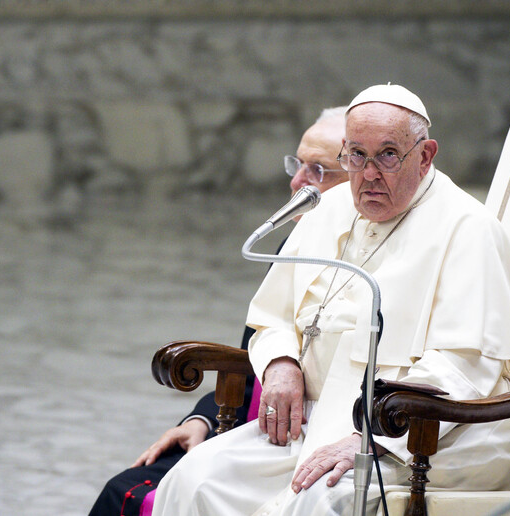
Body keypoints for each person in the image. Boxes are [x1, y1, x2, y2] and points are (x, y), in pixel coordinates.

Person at [151, 84, 510, 516]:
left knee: (322, 500)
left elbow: (464, 368)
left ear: (426, 155)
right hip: (319, 419)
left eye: (388, 155)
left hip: (431, 437)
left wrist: (367, 439)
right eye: (356, 155)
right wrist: (280, 363)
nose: (369, 173)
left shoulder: (468, 228)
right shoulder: (329, 208)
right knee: (193, 479)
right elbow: (273, 317)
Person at [88, 107, 349, 516]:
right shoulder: (297, 242)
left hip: (315, 443)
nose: (298, 182)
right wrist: (203, 420)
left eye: (319, 170)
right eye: (297, 165)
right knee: (122, 491)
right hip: (251, 425)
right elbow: (253, 359)